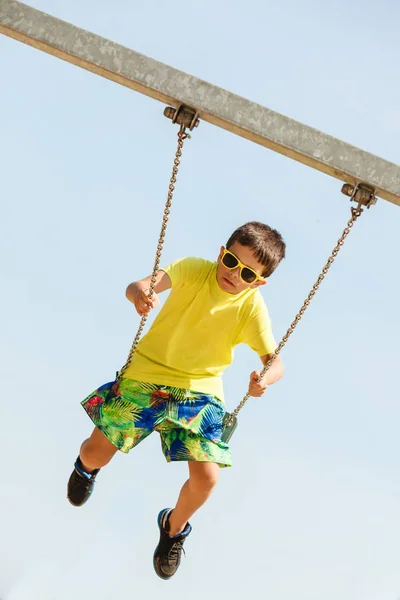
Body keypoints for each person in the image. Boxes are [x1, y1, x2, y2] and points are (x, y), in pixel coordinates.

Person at [67, 221, 286, 580]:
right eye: (231, 261)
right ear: (221, 253)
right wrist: (139, 294)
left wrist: (264, 379)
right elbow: (140, 285)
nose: (234, 274)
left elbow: (275, 361)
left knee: (208, 478)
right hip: (146, 375)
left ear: (258, 282)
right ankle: (84, 468)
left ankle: (173, 528)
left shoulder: (252, 307)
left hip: (200, 393)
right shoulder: (193, 269)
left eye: (247, 272)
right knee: (96, 452)